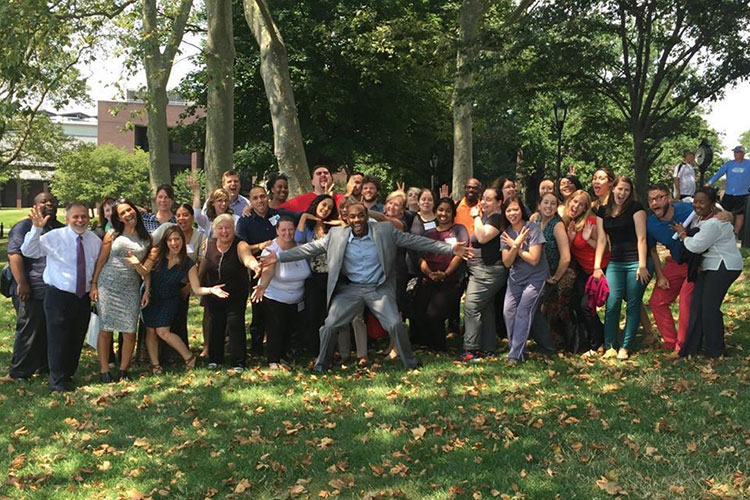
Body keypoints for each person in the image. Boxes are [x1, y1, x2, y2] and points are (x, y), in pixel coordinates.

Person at [260, 202, 472, 372]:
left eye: (361, 215)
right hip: (352, 289)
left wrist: (450, 249)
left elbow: (416, 241)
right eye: (352, 217)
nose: (357, 220)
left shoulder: (385, 231)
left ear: (367, 216)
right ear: (347, 219)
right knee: (330, 324)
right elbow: (309, 249)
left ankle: (411, 363)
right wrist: (278, 257)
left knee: (395, 325)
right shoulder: (336, 235)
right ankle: (321, 365)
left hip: (378, 289)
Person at [21, 203, 102, 392]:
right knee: (58, 339)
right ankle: (57, 382)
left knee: (76, 337)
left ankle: (68, 374)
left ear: (89, 218)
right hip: (58, 295)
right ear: (67, 219)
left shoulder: (94, 240)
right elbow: (28, 251)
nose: (80, 220)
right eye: (75, 217)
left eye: (83, 216)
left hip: (82, 297)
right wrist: (36, 228)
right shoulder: (55, 237)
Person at [143, 226, 227, 374]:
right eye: (170, 240)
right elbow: (145, 272)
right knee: (150, 331)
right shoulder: (157, 255)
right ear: (166, 242)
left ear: (183, 240)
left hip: (170, 299)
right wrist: (146, 289)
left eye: (177, 239)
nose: (174, 243)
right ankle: (155, 364)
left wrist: (211, 290)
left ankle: (189, 357)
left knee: (162, 331)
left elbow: (196, 288)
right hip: (151, 296)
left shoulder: (188, 263)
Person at [674, 187, 743, 358]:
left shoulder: (715, 222)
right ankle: (692, 348)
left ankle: (716, 351)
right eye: (695, 201)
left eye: (702, 202)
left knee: (709, 308)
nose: (697, 205)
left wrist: (683, 235)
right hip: (709, 266)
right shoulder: (704, 216)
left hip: (723, 266)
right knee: (697, 306)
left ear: (712, 204)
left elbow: (696, 246)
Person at [90, 199, 152, 382]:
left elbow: (147, 269)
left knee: (129, 331)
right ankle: (104, 371)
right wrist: (93, 284)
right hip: (108, 284)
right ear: (118, 218)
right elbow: (101, 260)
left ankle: (124, 369)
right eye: (122, 213)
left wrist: (147, 289)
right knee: (106, 330)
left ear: (135, 210)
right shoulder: (112, 234)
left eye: (129, 210)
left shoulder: (146, 238)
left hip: (131, 287)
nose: (127, 214)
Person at [7, 193, 64, 380]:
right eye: (43, 202)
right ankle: (19, 372)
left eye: (52, 202)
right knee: (29, 330)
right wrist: (22, 283)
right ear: (35, 206)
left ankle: (44, 366)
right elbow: (14, 255)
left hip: (54, 287)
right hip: (31, 286)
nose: (49, 204)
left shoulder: (60, 229)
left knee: (49, 329)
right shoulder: (23, 227)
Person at [594, 176, 649, 360]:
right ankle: (610, 345)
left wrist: (642, 265)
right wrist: (597, 266)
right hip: (615, 263)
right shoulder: (603, 211)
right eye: (620, 189)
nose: (622, 193)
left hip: (635, 261)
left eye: (626, 190)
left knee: (633, 304)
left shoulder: (636, 208)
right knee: (612, 303)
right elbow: (602, 240)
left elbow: (642, 238)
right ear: (613, 189)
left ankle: (625, 346)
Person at [236, 185, 294, 355]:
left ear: (267, 197)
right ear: (251, 202)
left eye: (262, 196)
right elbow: (242, 247)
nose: (260, 200)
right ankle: (256, 348)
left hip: (282, 268)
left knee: (279, 310)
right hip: (258, 270)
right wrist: (260, 246)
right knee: (258, 310)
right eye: (255, 198)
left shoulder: (278, 215)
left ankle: (282, 346)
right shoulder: (245, 221)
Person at [200, 214, 260, 372]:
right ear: (214, 230)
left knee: (235, 324)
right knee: (215, 324)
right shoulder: (209, 244)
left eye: (228, 228)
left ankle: (238, 362)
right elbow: (204, 264)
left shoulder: (240, 244)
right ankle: (215, 359)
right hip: (214, 291)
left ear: (233, 229)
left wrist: (254, 266)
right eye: (220, 228)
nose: (224, 231)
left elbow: (247, 258)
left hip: (236, 293)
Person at [251, 217, 312, 369]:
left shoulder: (301, 247)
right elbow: (268, 269)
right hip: (275, 296)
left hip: (297, 298)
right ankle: (273, 360)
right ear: (277, 231)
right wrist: (262, 286)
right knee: (276, 328)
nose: (287, 233)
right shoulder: (271, 249)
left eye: (290, 229)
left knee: (290, 329)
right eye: (283, 230)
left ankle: (285, 357)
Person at [411, 197, 469, 351]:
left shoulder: (459, 230)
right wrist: (430, 273)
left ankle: (439, 347)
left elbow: (460, 255)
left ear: (453, 213)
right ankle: (425, 344)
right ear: (436, 212)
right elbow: (420, 257)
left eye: (448, 210)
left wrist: (445, 273)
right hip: (428, 278)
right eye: (441, 210)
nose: (444, 213)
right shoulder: (428, 233)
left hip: (450, 280)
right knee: (419, 310)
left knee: (434, 313)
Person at [151, 204, 206, 358]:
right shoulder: (168, 230)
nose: (182, 218)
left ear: (192, 217)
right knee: (159, 324)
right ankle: (161, 356)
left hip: (184, 284)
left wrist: (190, 286)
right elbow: (151, 242)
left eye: (186, 215)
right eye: (179, 215)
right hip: (161, 283)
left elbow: (201, 261)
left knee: (178, 319)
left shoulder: (199, 236)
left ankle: (178, 355)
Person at [460, 187, 507, 361]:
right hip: (480, 268)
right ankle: (488, 348)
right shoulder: (489, 217)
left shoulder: (496, 218)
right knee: (485, 308)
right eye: (483, 198)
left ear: (499, 202)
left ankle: (470, 349)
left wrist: (475, 216)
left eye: (488, 199)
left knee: (471, 306)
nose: (483, 202)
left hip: (488, 271)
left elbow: (483, 237)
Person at [501, 196, 549, 363]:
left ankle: (514, 355)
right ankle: (519, 349)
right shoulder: (506, 233)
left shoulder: (533, 229)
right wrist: (515, 245)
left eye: (515, 209)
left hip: (535, 278)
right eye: (508, 210)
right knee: (508, 312)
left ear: (522, 210)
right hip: (515, 279)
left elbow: (534, 259)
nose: (512, 213)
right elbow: (507, 262)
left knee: (523, 312)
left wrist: (517, 246)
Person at [563, 190, 608, 355]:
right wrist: (570, 237)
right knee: (575, 303)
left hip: (600, 268)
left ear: (585, 208)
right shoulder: (569, 222)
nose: (576, 206)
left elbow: (605, 247)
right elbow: (567, 251)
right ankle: (592, 336)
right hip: (584, 270)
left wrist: (589, 238)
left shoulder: (591, 222)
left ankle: (598, 344)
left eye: (581, 204)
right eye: (574, 201)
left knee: (586, 306)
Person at [295, 194, 341, 355]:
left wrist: (340, 222)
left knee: (329, 314)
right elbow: (298, 240)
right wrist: (305, 216)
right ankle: (314, 349)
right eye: (323, 205)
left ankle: (329, 349)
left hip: (332, 277)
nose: (326, 209)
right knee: (312, 313)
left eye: (329, 207)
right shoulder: (309, 226)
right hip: (313, 277)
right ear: (316, 204)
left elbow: (348, 234)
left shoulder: (334, 228)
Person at [529, 192, 571, 350]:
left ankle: (547, 345)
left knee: (531, 306)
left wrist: (555, 277)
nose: (548, 206)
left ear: (557, 207)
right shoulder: (534, 219)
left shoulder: (557, 225)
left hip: (548, 276)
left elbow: (566, 257)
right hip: (532, 271)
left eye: (553, 203)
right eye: (546, 202)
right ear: (539, 204)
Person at [707, 145, 750, 236]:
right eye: (734, 152)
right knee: (724, 212)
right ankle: (722, 232)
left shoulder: (748, 164)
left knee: (739, 214)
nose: (735, 154)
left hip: (742, 194)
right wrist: (708, 184)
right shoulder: (729, 164)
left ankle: (735, 233)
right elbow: (718, 174)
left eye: (738, 152)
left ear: (743, 154)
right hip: (729, 193)